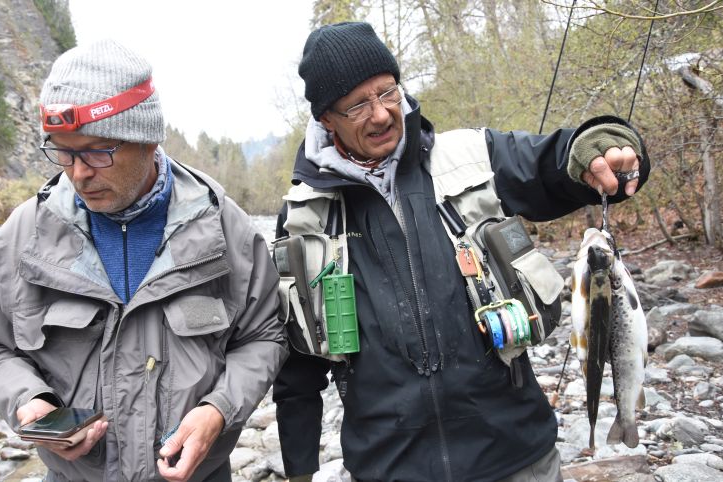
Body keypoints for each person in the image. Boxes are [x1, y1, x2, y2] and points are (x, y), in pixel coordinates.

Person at [272, 22, 649, 482]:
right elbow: (297, 365)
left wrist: (603, 148)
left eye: (388, 92)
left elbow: (554, 163)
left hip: (516, 456)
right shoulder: (303, 215)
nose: (381, 114)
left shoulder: (470, 156)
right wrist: (299, 470)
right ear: (326, 118)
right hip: (390, 468)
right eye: (357, 104)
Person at [0, 39, 287, 482]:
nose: (77, 173)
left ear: (148, 139)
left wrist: (219, 409)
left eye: (98, 151)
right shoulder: (22, 237)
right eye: (63, 151)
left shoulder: (224, 230)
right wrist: (28, 400)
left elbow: (264, 336)